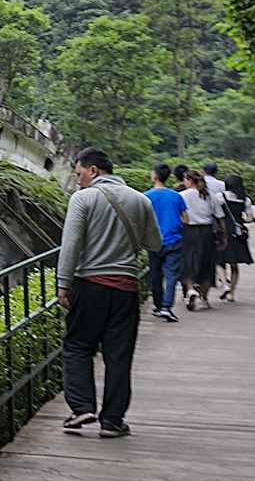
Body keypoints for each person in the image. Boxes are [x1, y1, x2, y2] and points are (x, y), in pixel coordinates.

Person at [56, 148, 161, 438]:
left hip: (89, 286)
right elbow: (154, 243)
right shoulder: (141, 199)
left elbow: (71, 245)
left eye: (79, 174)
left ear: (93, 171)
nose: (78, 181)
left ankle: (81, 407)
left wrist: (63, 283)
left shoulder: (83, 198)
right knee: (119, 355)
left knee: (77, 346)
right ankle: (113, 421)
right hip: (126, 288)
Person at [144, 163, 187, 323]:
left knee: (155, 275)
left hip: (154, 241)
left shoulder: (146, 196)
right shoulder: (175, 195)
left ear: (154, 176)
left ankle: (158, 305)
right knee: (171, 275)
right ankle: (167, 307)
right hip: (174, 239)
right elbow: (185, 218)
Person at [179, 167, 218, 310]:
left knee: (188, 262)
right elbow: (220, 217)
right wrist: (223, 236)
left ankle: (190, 290)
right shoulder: (210, 196)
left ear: (189, 180)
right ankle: (204, 298)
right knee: (207, 264)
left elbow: (180, 216)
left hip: (189, 232)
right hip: (207, 232)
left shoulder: (182, 195)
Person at [217, 172, 255, 300]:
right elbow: (249, 218)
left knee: (218, 261)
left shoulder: (221, 197)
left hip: (224, 232)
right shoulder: (245, 199)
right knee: (234, 265)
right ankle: (232, 293)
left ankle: (224, 284)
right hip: (238, 234)